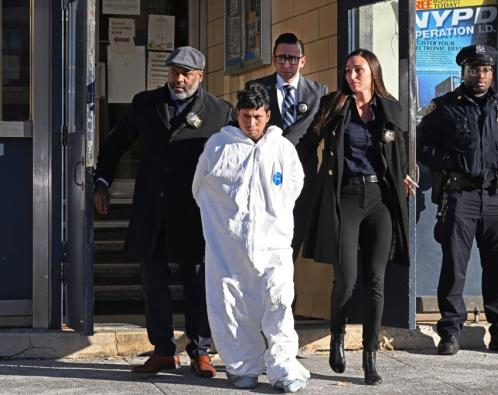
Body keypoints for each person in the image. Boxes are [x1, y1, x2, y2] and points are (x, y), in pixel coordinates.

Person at [94, 46, 232, 375]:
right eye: (174, 71)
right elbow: (116, 144)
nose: (179, 79)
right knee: (152, 280)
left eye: (186, 73)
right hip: (152, 209)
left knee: (196, 281)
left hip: (194, 211)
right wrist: (102, 181)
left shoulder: (219, 111)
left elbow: (233, 162)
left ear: (201, 76)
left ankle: (200, 350)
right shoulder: (146, 104)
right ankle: (163, 350)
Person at [297, 49, 417, 385]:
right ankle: (337, 338)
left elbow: (401, 148)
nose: (352, 76)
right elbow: (308, 143)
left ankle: (369, 356)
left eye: (358, 70)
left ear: (373, 72)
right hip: (345, 197)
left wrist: (404, 173)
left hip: (380, 199)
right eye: (348, 70)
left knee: (375, 281)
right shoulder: (335, 105)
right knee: (346, 278)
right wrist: (313, 179)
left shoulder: (389, 108)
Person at [417, 44, 498, 356]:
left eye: (485, 70)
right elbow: (420, 144)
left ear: (492, 73)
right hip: (461, 197)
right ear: (464, 72)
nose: (480, 75)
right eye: (474, 69)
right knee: (454, 267)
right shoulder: (445, 106)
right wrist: (450, 161)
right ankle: (450, 331)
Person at [192, 84, 309, 392]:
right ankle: (242, 366)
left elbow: (294, 185)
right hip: (230, 246)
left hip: (274, 244)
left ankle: (284, 369)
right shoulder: (219, 146)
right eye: (246, 116)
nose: (252, 124)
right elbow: (201, 188)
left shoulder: (282, 148)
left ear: (268, 115)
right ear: (236, 114)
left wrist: (275, 217)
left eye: (258, 117)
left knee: (279, 302)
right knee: (231, 303)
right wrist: (224, 225)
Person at [246, 32, 329, 260]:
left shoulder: (319, 92)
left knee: (291, 247)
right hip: (264, 178)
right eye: (281, 58)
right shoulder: (256, 88)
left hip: (301, 179)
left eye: (293, 59)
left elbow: (320, 133)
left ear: (303, 61)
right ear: (273, 59)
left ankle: (286, 296)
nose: (287, 64)